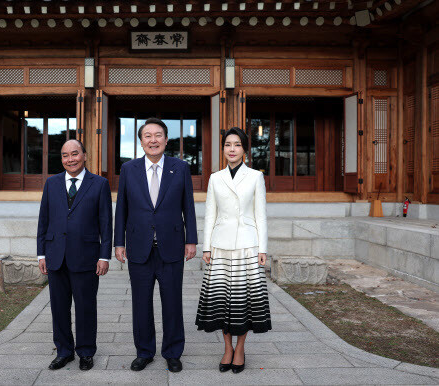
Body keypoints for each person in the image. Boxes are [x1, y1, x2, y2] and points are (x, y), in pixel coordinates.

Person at [114, 117, 198, 373]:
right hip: (139, 246)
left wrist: (191, 239)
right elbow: (122, 210)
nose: (153, 140)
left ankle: (173, 352)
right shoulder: (128, 169)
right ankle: (144, 352)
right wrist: (119, 242)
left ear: (166, 139)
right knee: (141, 303)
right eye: (147, 136)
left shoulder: (180, 168)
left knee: (172, 301)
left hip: (171, 245)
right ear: (140, 142)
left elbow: (188, 207)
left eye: (158, 135)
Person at [195, 127, 272, 374]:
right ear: (223, 148)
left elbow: (261, 214)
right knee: (221, 302)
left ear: (244, 149)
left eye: (237, 144)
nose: (231, 149)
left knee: (243, 301)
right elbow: (210, 214)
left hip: (247, 245)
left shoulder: (255, 177)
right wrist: (206, 246)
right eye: (228, 144)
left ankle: (240, 348)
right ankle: (227, 348)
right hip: (220, 244)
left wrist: (263, 248)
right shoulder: (215, 178)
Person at [37, 139, 112, 371]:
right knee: (59, 308)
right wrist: (41, 254)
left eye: (75, 154)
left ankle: (86, 352)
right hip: (55, 256)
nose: (70, 159)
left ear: (85, 155)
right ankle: (64, 351)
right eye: (65, 155)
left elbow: (106, 223)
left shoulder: (99, 184)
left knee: (85, 307)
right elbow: (44, 220)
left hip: (87, 257)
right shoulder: (51, 184)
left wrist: (104, 256)